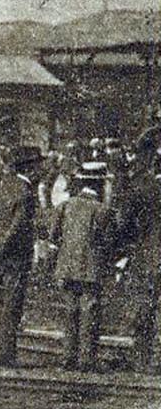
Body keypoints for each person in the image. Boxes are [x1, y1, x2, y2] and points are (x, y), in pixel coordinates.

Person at [0, 144, 43, 367]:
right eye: (37, 165)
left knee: (0, 303)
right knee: (12, 305)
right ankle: (6, 355)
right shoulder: (26, 193)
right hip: (16, 258)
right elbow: (17, 228)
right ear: (29, 168)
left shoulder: (0, 188)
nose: (40, 170)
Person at [49, 162, 111, 371]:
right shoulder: (102, 209)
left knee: (70, 312)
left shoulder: (65, 206)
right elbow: (107, 239)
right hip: (91, 269)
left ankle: (68, 358)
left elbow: (53, 235)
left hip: (66, 267)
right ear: (99, 185)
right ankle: (87, 360)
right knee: (89, 313)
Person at [112, 138, 161, 374]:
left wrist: (119, 250)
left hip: (148, 255)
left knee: (145, 308)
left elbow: (123, 225)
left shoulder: (142, 187)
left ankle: (145, 360)